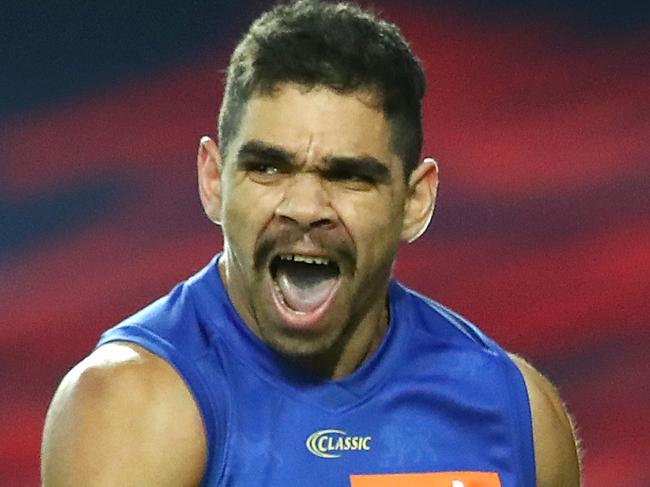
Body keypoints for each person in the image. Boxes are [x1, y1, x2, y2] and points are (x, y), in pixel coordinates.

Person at [41, 1, 581, 486]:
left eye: (348, 176)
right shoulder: (130, 406)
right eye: (268, 167)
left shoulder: (517, 415)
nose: (304, 208)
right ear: (213, 180)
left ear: (415, 202)